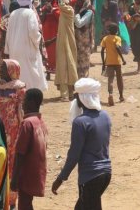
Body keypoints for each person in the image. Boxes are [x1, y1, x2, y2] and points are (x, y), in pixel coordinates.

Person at [53, 78, 112, 210]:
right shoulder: (105, 116)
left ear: (83, 97)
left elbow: (74, 155)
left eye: (77, 95)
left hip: (90, 176)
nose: (75, 97)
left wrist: (61, 178)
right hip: (106, 173)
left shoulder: (80, 122)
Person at [0, 59, 26, 207]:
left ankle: (10, 200)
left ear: (12, 71)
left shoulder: (20, 88)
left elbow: (21, 111)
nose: (1, 71)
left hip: (11, 129)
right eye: (0, 68)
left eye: (4, 69)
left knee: (11, 162)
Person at [12, 88, 48, 210]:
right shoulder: (40, 121)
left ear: (32, 102)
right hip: (37, 170)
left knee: (24, 204)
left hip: (26, 172)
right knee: (27, 203)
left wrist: (15, 177)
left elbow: (20, 153)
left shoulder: (27, 123)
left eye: (25, 100)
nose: (22, 103)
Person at [4, 0, 47, 92]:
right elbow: (33, 31)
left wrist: (8, 48)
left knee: (18, 71)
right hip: (27, 48)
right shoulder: (30, 13)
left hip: (14, 49)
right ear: (29, 3)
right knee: (31, 71)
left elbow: (8, 32)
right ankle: (30, 93)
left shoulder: (13, 13)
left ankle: (20, 92)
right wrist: (38, 39)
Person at [55, 0, 79, 101]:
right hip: (64, 41)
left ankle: (67, 94)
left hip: (67, 41)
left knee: (66, 64)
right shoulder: (66, 10)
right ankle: (68, 93)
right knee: (65, 65)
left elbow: (61, 5)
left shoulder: (69, 10)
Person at [100, 22, 126, 105]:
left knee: (110, 79)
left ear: (108, 30)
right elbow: (117, 47)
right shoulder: (117, 38)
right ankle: (121, 96)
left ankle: (110, 94)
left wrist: (103, 63)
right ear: (117, 31)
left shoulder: (105, 38)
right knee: (119, 79)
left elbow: (102, 51)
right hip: (117, 62)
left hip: (109, 62)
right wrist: (122, 59)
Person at [40, 0, 60, 78]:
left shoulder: (57, 7)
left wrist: (52, 10)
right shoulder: (44, 7)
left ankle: (56, 71)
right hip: (46, 32)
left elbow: (59, 18)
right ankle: (48, 71)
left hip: (54, 33)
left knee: (55, 52)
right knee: (47, 52)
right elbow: (42, 20)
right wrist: (45, 11)